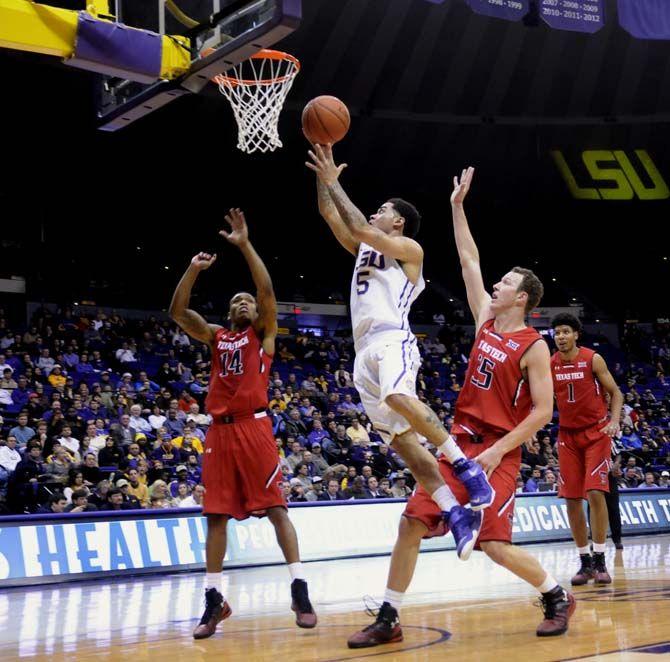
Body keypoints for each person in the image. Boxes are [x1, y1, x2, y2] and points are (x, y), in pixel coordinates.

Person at [347, 167, 574, 650]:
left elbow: (541, 413)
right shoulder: (484, 322)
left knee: (493, 545)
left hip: (498, 450)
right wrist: (456, 206)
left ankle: (555, 596)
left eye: (506, 284)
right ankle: (390, 616)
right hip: (461, 445)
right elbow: (468, 258)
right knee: (410, 524)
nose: (496, 286)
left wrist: (497, 454)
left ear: (524, 299)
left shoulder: (535, 345)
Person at [308, 144, 491, 555]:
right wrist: (324, 179)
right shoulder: (365, 249)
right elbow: (331, 216)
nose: (375, 213)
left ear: (399, 222)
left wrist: (337, 183)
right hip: (362, 351)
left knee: (398, 395)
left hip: (393, 337)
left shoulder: (411, 251)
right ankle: (454, 512)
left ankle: (464, 465)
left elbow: (358, 227)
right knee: (401, 442)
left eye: (382, 210)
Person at [169, 208, 316, 640]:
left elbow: (267, 290)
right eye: (236, 301)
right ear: (229, 312)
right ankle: (214, 598)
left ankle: (299, 588)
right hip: (219, 431)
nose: (243, 303)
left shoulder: (263, 334)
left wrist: (245, 244)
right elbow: (178, 311)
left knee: (276, 508)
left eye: (246, 301)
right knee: (215, 516)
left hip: (255, 427)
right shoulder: (217, 336)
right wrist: (192, 270)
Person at [551, 313, 624, 586]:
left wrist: (614, 421)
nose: (561, 336)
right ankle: (585, 562)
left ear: (576, 334)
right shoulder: (550, 364)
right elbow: (539, 398)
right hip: (567, 437)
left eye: (565, 331)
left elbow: (616, 393)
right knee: (571, 499)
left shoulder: (592, 359)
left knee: (595, 492)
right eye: (557, 332)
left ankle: (601, 559)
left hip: (596, 433)